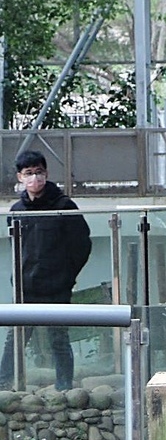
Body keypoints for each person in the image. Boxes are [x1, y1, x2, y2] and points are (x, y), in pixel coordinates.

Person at [0, 151, 92, 391]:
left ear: (46, 173)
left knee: (58, 339)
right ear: (20, 177)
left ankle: (64, 387)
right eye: (28, 173)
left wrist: (66, 277)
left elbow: (82, 245)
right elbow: (17, 249)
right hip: (26, 286)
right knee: (16, 338)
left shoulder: (64, 206)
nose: (34, 178)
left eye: (38, 172)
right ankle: (4, 384)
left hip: (56, 287)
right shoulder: (17, 210)